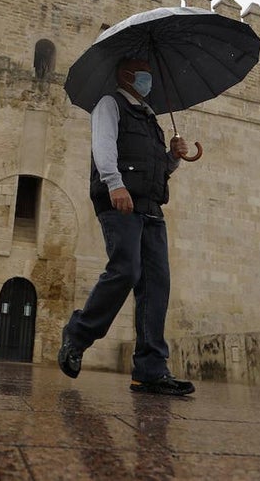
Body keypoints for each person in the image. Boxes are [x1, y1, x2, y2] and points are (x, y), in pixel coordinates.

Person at [58, 57, 196, 396]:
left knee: (157, 285)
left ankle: (150, 370)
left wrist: (175, 155)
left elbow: (158, 168)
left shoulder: (151, 118)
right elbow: (103, 145)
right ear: (126, 75)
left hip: (150, 207)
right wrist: (114, 183)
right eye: (143, 72)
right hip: (119, 200)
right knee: (125, 270)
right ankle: (77, 335)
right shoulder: (110, 104)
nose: (149, 78)